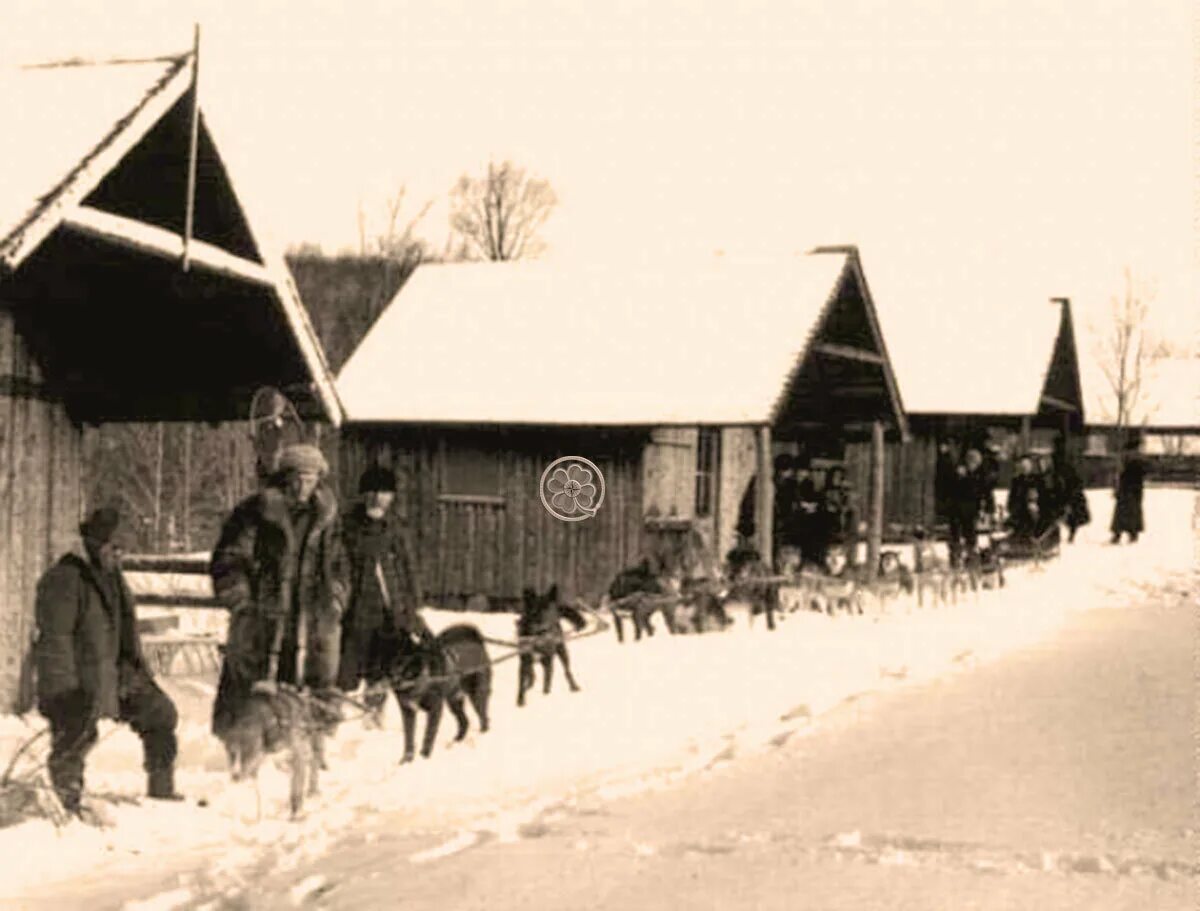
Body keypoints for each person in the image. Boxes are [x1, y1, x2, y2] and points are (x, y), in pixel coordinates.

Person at [34, 508, 182, 815]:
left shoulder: (112, 574)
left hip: (116, 674)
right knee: (74, 735)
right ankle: (66, 804)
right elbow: (54, 640)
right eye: (115, 548)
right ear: (95, 544)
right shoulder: (64, 579)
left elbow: (122, 630)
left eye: (122, 549)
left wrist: (136, 673)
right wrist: (63, 692)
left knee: (161, 713)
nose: (120, 555)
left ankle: (162, 791)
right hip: (77, 681)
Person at [210, 443, 349, 740]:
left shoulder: (326, 516)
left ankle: (307, 746)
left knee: (312, 681)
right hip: (263, 611)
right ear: (285, 477)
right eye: (298, 478)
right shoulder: (255, 511)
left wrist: (336, 596)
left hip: (311, 613)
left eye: (311, 479)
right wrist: (240, 600)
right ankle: (242, 746)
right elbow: (229, 558)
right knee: (252, 679)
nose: (303, 486)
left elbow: (339, 563)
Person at [337, 466, 433, 727]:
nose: (378, 498)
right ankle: (339, 720)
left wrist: (412, 605)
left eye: (385, 493)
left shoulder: (396, 528)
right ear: (362, 494)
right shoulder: (347, 527)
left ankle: (373, 718)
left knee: (384, 667)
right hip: (355, 610)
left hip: (391, 612)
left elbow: (408, 568)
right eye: (373, 492)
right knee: (348, 667)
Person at [947, 447, 991, 568]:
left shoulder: (980, 476)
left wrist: (986, 509)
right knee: (955, 536)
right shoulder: (960, 473)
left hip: (971, 512)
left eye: (976, 463)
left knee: (971, 536)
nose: (974, 465)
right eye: (972, 462)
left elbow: (985, 493)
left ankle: (971, 561)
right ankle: (955, 560)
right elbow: (952, 491)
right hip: (957, 510)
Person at [1053, 436, 1090, 543]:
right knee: (1067, 513)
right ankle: (1069, 533)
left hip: (1069, 487)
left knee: (1070, 513)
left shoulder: (1066, 457)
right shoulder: (1065, 456)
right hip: (1067, 487)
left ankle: (1070, 534)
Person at [1110, 438, 1147, 544]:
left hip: (1125, 488)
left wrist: (1116, 488)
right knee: (1134, 512)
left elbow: (1119, 474)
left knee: (1121, 512)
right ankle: (1133, 534)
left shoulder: (1124, 458)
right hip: (1136, 489)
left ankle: (1117, 535)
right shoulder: (1140, 459)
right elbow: (1144, 472)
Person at [1005, 454, 1044, 540]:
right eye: (1022, 466)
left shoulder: (1036, 480)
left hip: (1031, 511)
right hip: (1019, 510)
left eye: (1026, 466)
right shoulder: (1016, 481)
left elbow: (1038, 496)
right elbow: (1012, 497)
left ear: (1030, 467)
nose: (1024, 468)